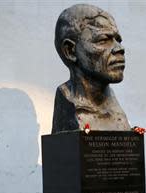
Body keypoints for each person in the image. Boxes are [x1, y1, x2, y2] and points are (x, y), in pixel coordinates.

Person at [52, 4, 131, 134]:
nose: (119, 48)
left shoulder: (117, 111)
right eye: (103, 40)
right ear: (70, 51)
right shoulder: (67, 102)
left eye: (118, 40)